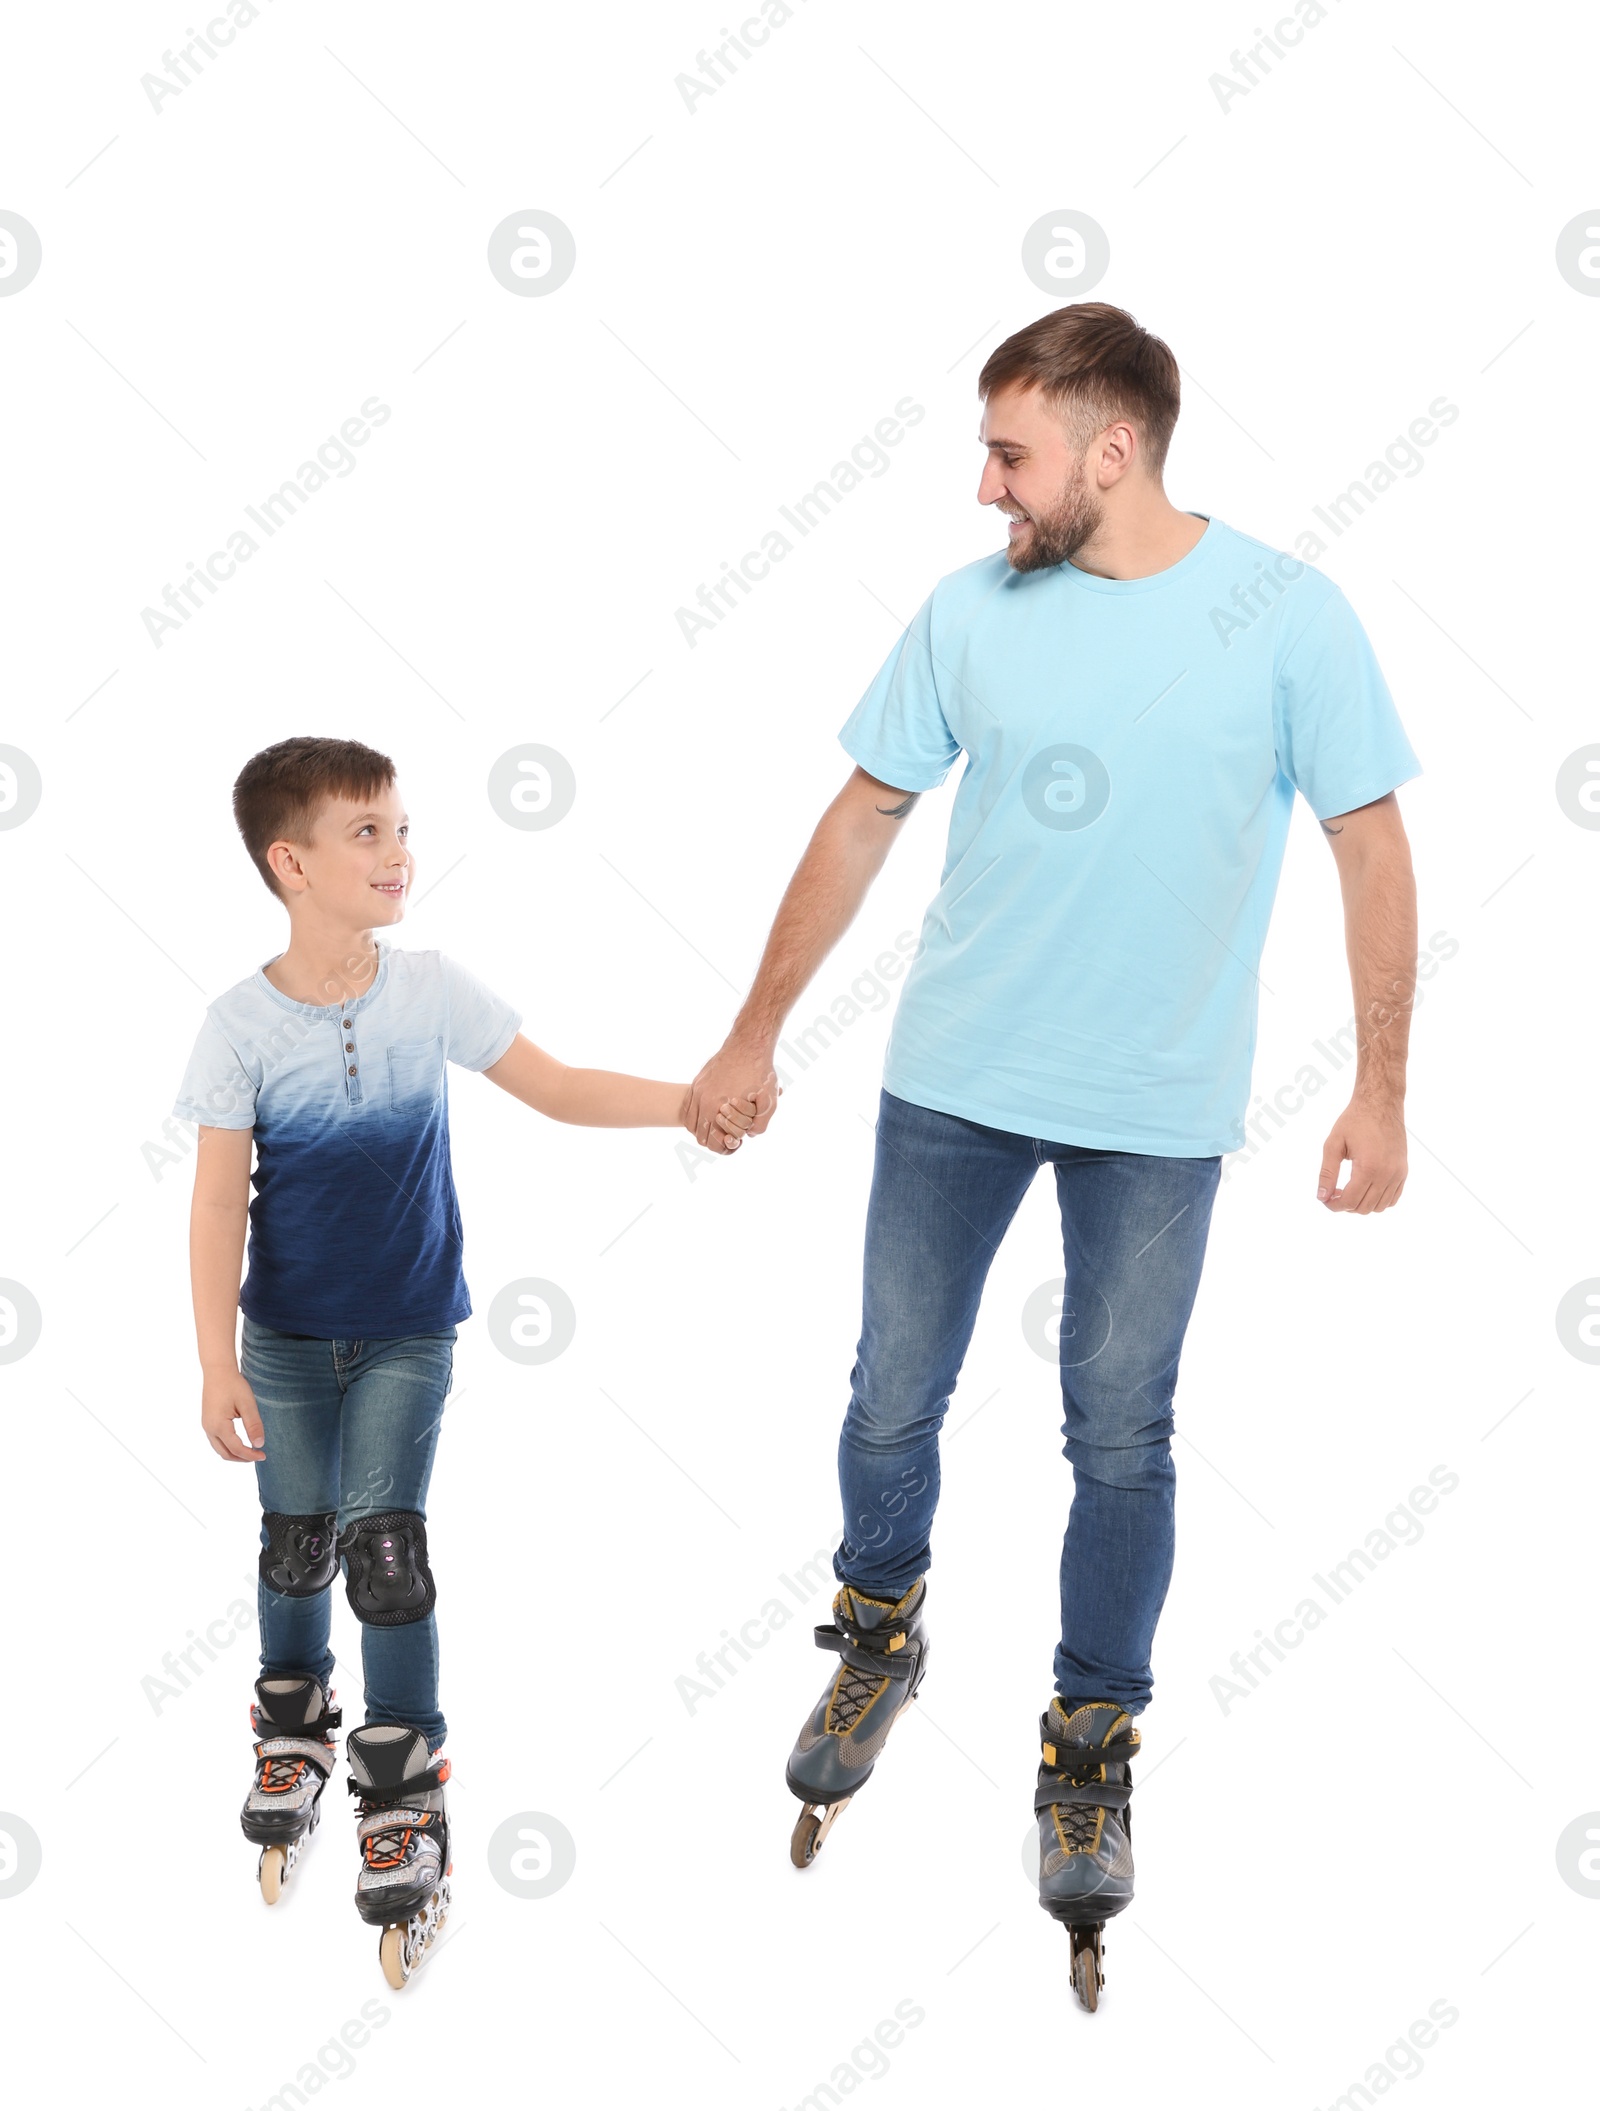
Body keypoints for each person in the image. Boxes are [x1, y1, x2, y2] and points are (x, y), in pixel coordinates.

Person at [682, 301, 1420, 2009]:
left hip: (1156, 1111)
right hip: (951, 1080)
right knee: (889, 1397)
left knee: (1121, 1431)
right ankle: (880, 1630)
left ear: (1116, 448)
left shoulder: (1289, 619)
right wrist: (751, 1033)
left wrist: (1380, 1086)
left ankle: (1090, 1735)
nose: (983, 487)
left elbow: (1372, 853)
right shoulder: (968, 613)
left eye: (1010, 453)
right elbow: (862, 817)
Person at [174, 734, 753, 1985]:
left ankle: (405, 1775)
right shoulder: (237, 1024)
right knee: (295, 1539)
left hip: (406, 1329)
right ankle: (292, 1722)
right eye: (365, 832)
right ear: (291, 862)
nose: (398, 851)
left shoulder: (429, 988)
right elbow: (219, 1205)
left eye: (399, 825)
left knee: (385, 1549)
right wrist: (214, 1360)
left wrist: (689, 1099)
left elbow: (552, 1086)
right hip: (280, 1338)